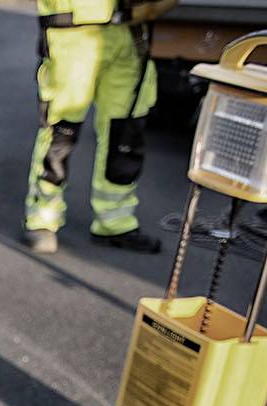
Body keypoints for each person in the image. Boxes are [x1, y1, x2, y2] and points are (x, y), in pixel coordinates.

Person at [24, 0, 179, 254]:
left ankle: (115, 222)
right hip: (73, 29)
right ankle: (42, 218)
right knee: (61, 131)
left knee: (125, 135)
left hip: (129, 30)